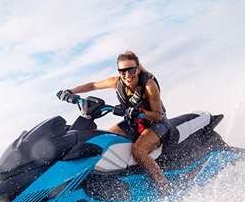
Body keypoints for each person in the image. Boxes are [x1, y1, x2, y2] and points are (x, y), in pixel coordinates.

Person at [58, 50, 171, 193]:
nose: (127, 75)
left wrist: (139, 112)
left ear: (137, 70)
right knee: (103, 139)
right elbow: (93, 85)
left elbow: (158, 115)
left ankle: (165, 187)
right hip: (133, 122)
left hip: (156, 124)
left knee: (138, 151)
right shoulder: (117, 82)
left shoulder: (149, 86)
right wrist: (70, 91)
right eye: (123, 71)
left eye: (131, 70)